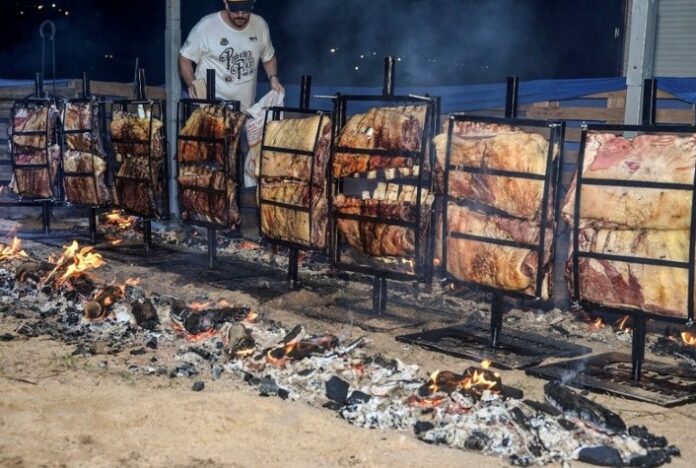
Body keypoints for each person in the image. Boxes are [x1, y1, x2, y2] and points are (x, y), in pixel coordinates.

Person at [179, 0, 284, 111]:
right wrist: (191, 83)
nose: (240, 15)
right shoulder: (206, 26)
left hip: (245, 110)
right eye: (235, 9)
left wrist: (273, 78)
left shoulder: (260, 25)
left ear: (253, 4)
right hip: (210, 108)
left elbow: (268, 57)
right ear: (226, 4)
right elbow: (185, 58)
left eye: (245, 10)